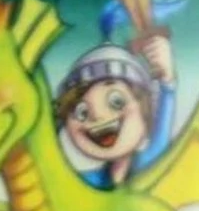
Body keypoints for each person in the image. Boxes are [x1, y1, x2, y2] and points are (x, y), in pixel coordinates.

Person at [55, 34, 176, 189]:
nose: (98, 116)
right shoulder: (86, 182)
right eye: (82, 113)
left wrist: (167, 81)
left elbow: (161, 133)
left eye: (116, 102)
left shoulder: (148, 163)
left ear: (144, 108)